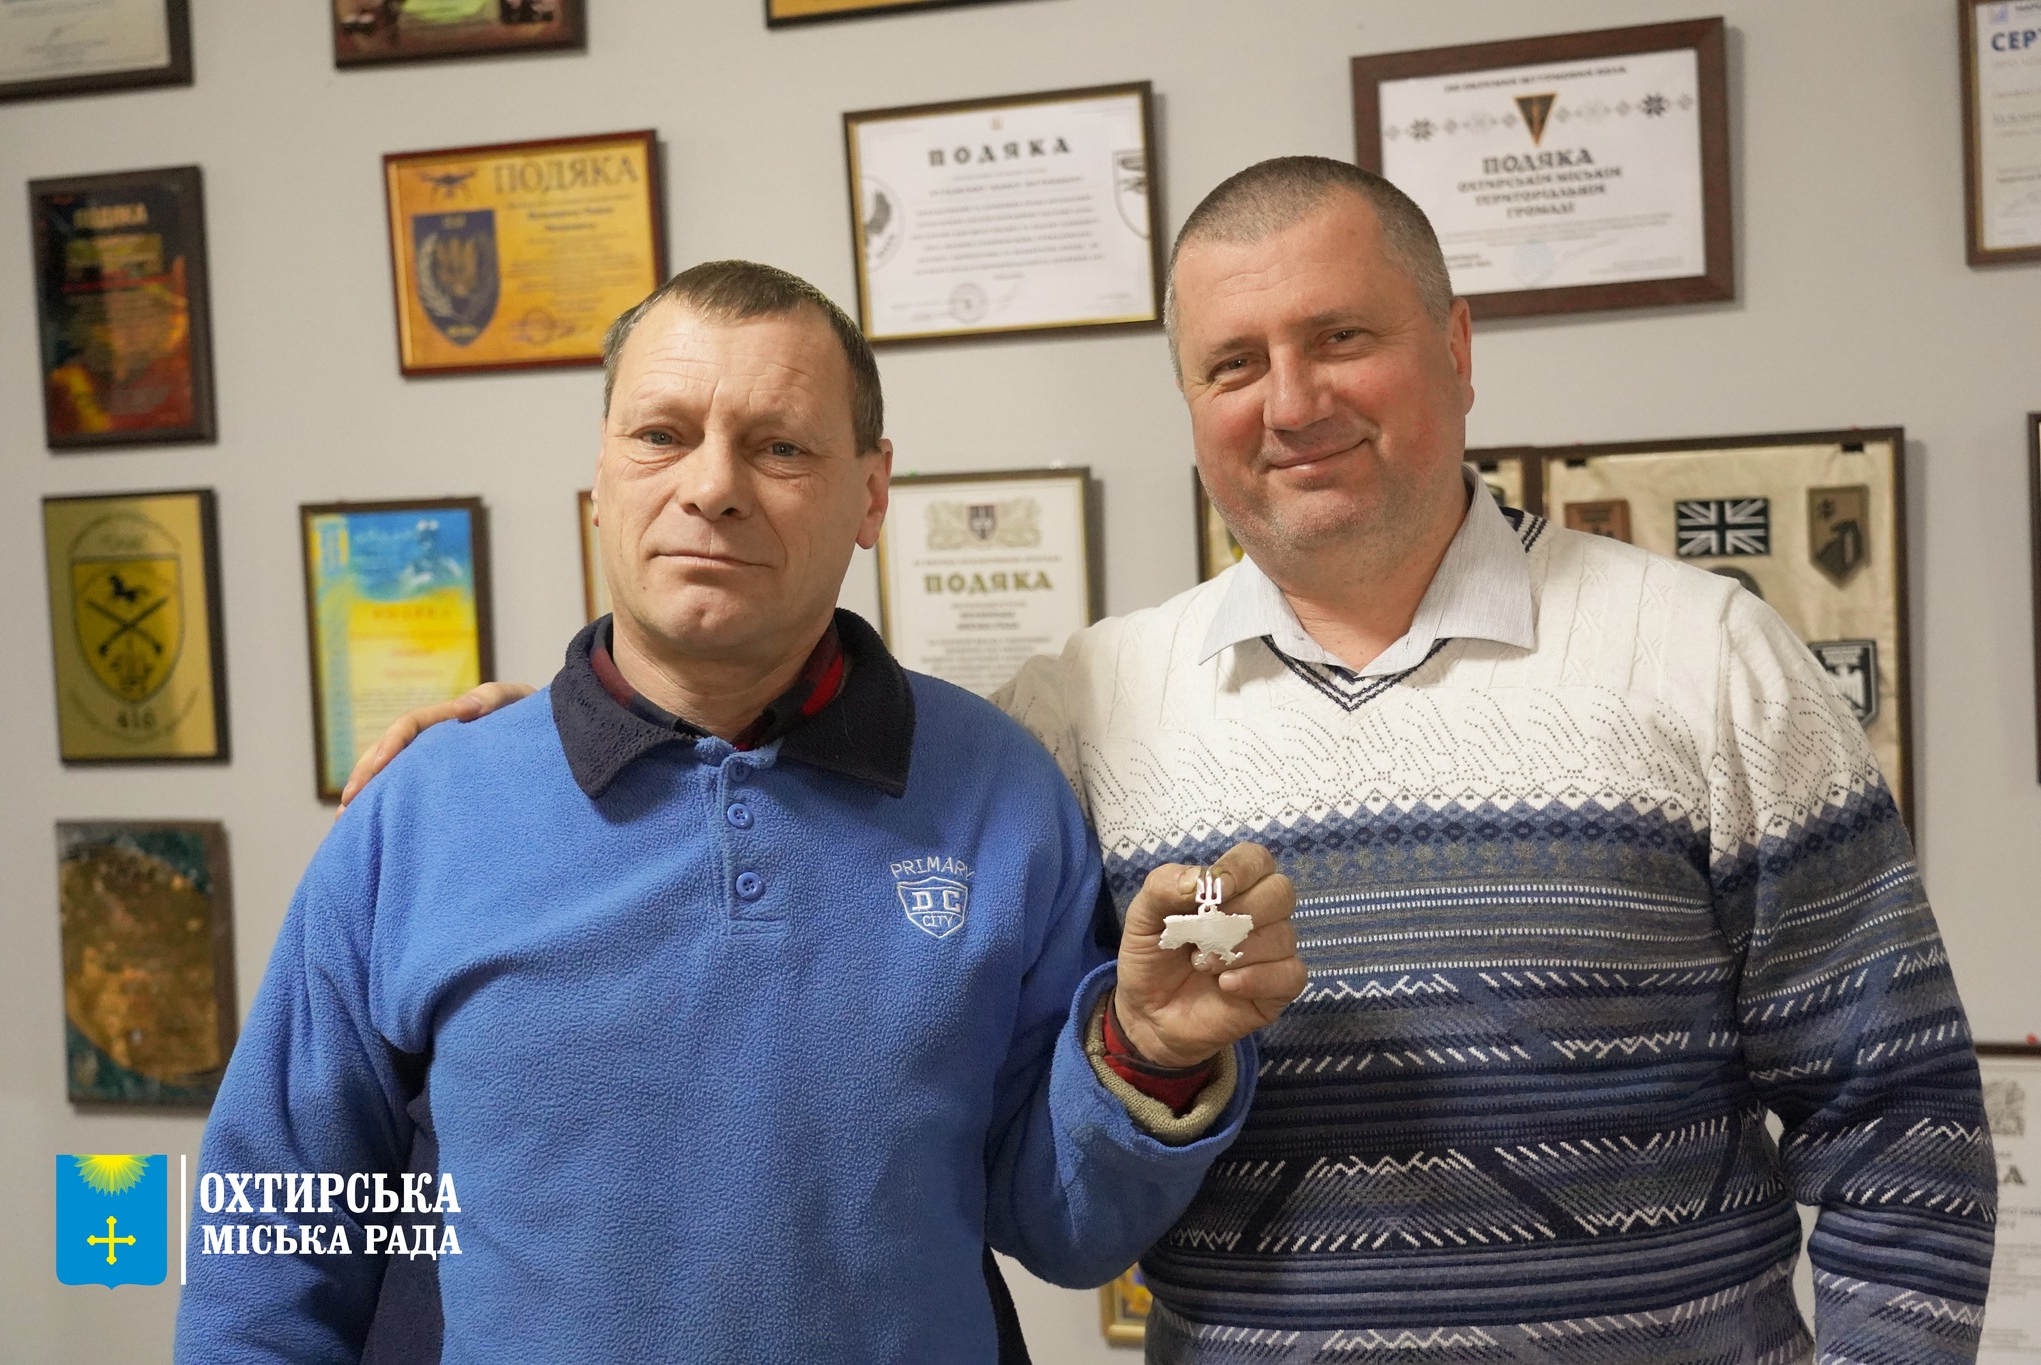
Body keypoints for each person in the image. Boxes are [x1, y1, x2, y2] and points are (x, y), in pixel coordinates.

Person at [349, 161, 1996, 1363]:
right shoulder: (1077, 713)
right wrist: (533, 748)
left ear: (1455, 345)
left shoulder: (1704, 659)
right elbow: (784, 781)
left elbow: (1895, 1114)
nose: (1290, 401)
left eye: (1339, 337)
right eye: (1231, 364)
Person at [178, 260, 1308, 1364]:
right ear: (601, 479)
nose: (711, 487)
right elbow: (273, 1235)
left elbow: (1066, 1228)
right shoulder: (422, 814)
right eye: (661, 436)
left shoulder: (1000, 793)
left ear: (871, 493)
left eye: (779, 448)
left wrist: (1147, 1055)